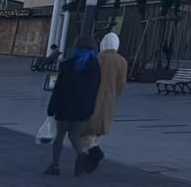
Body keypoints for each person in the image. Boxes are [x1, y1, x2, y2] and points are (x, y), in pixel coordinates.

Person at [44, 38, 102, 176]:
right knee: (74, 135)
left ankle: (55, 165)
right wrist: (90, 108)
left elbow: (58, 89)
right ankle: (81, 155)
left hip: (65, 107)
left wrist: (51, 108)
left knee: (59, 136)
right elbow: (95, 90)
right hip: (83, 108)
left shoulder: (67, 64)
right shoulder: (95, 66)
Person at [81, 32, 129, 173]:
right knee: (98, 129)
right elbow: (121, 83)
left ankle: (93, 151)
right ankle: (88, 158)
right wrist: (114, 95)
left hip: (93, 97)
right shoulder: (122, 61)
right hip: (109, 99)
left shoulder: (97, 58)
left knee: (86, 128)